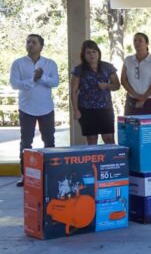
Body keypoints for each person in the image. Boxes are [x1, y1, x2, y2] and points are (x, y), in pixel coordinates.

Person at [10, 34, 59, 187]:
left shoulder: (50, 63)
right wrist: (33, 80)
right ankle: (24, 175)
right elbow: (14, 84)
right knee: (26, 142)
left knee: (49, 141)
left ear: (41, 46)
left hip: (46, 108)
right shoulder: (18, 63)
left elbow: (55, 82)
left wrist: (42, 77)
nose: (30, 44)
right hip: (27, 108)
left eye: (34, 42)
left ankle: (50, 173)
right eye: (28, 42)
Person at [71, 40, 121, 145]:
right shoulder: (79, 70)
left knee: (109, 138)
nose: (92, 55)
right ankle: (94, 161)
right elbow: (74, 91)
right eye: (88, 52)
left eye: (94, 52)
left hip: (105, 108)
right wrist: (75, 110)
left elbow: (117, 85)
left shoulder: (108, 67)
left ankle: (111, 160)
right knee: (92, 139)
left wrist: (107, 86)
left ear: (98, 53)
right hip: (86, 109)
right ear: (84, 55)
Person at [121, 32, 151, 116]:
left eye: (140, 40)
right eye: (135, 40)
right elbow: (123, 80)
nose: (137, 43)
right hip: (132, 99)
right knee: (131, 127)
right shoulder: (128, 60)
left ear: (147, 43)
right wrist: (135, 95)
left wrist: (144, 98)